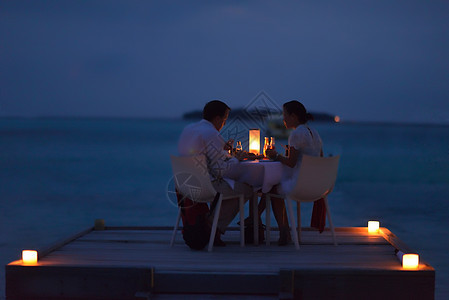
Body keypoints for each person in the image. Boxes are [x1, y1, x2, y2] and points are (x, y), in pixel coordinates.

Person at [178, 100, 253, 246]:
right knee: (246, 190)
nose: (224, 124)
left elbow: (203, 157)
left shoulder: (189, 129)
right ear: (218, 118)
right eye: (224, 120)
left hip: (184, 185)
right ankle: (212, 228)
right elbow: (222, 170)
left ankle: (212, 228)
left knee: (231, 190)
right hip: (204, 187)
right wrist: (236, 159)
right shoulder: (211, 133)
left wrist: (224, 151)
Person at [263, 100, 324, 245]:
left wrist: (275, 156)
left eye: (285, 115)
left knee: (271, 189)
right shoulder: (313, 132)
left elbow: (291, 163)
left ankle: (284, 231)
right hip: (318, 185)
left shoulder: (296, 134)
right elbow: (319, 159)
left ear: (294, 116)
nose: (283, 119)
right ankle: (257, 220)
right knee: (272, 187)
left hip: (301, 185)